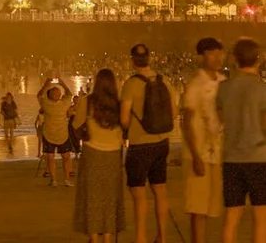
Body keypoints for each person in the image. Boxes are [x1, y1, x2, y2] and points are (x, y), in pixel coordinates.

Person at [122, 42, 174, 243]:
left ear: (133, 61)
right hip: (162, 142)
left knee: (139, 194)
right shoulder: (165, 81)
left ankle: (141, 238)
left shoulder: (131, 84)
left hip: (139, 143)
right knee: (160, 190)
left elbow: (125, 118)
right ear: (150, 59)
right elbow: (174, 112)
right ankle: (162, 236)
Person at [217, 38, 266, 243]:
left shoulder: (224, 88)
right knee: (261, 217)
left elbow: (221, 120)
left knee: (231, 217)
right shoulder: (262, 89)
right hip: (259, 158)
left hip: (232, 159)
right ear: (258, 60)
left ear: (235, 60)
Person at [75, 68, 127, 243]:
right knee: (110, 198)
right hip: (113, 154)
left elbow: (76, 126)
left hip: (92, 154)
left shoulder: (87, 102)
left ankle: (94, 238)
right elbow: (126, 127)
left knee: (92, 197)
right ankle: (107, 236)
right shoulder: (119, 105)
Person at [182, 37, 227, 243]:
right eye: (211, 53)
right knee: (198, 209)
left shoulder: (223, 82)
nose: (217, 57)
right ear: (201, 57)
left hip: (217, 152)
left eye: (219, 52)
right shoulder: (195, 84)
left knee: (211, 207)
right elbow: (187, 122)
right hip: (198, 153)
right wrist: (195, 156)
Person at [39, 79, 76, 187]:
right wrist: (46, 84)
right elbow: (40, 94)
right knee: (50, 158)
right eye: (53, 92)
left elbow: (69, 94)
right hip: (48, 134)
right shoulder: (45, 103)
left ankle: (67, 180)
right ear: (49, 94)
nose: (56, 93)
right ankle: (53, 180)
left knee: (66, 157)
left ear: (60, 94)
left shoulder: (64, 103)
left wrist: (61, 83)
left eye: (58, 92)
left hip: (62, 134)